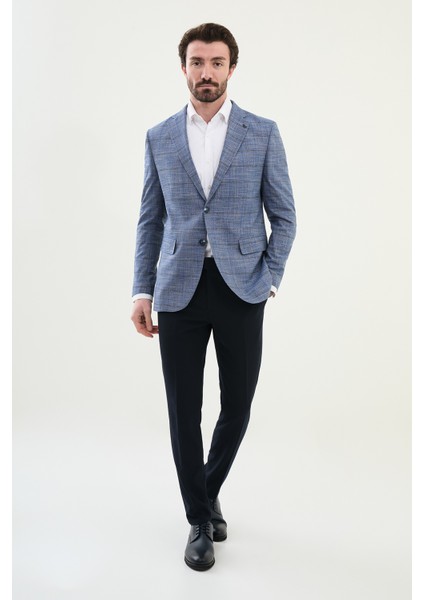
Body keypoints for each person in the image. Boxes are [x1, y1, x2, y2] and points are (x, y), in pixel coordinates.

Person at [131, 22, 296, 571]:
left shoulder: (262, 132)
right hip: (177, 288)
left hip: (241, 287)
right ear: (184, 68)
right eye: (197, 62)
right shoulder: (159, 137)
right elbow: (150, 220)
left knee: (239, 404)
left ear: (232, 68)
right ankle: (199, 519)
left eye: (217, 62)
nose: (207, 72)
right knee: (184, 411)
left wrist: (268, 277)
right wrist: (142, 290)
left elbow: (285, 217)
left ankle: (205, 487)